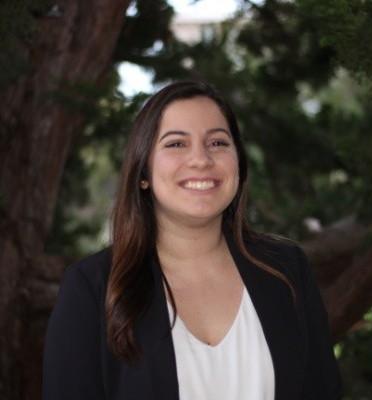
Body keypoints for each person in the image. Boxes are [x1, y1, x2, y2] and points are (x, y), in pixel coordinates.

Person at [42, 80, 343, 400]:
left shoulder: (285, 270)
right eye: (176, 144)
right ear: (143, 172)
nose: (201, 159)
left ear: (238, 163)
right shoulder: (94, 287)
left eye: (217, 143)